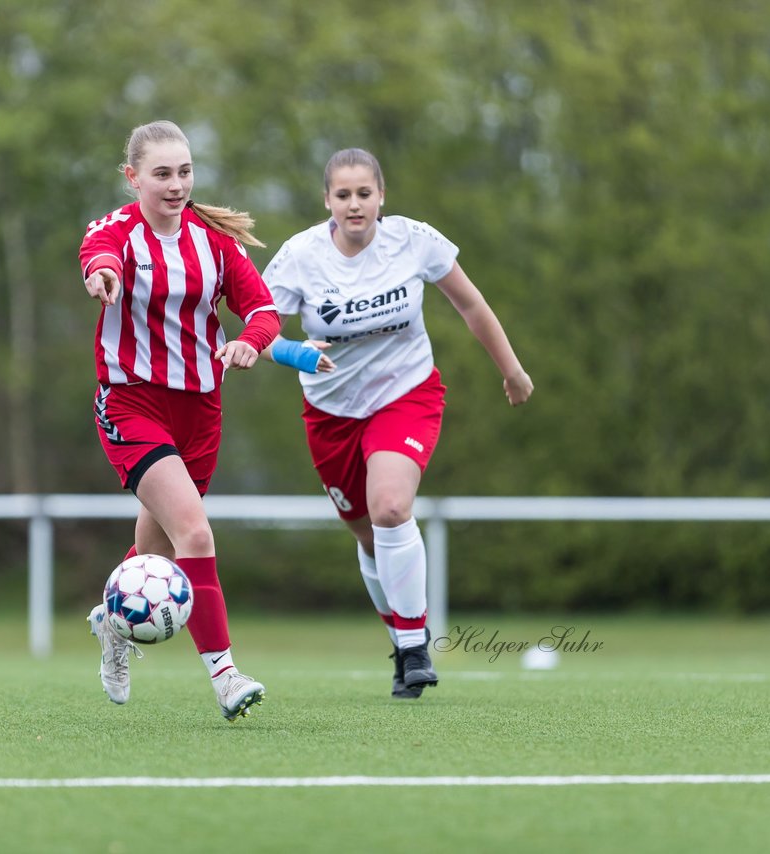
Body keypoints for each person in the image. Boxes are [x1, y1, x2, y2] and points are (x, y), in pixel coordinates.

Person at [262, 148, 533, 698]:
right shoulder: (301, 257)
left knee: (390, 507)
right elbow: (257, 332)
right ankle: (401, 640)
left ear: (382, 196)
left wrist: (512, 369)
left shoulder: (413, 240)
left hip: (405, 395)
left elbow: (471, 305)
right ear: (327, 201)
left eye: (365, 193)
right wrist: (297, 354)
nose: (355, 204)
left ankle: (414, 646)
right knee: (367, 534)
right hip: (331, 414)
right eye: (344, 195)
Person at [80, 120, 281, 720]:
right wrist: (103, 278)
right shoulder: (114, 231)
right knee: (195, 532)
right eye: (162, 174)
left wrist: (250, 340)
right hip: (131, 402)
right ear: (133, 177)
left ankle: (111, 625)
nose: (175, 185)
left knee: (158, 555)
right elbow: (100, 258)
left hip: (200, 410)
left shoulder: (215, 243)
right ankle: (225, 676)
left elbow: (263, 308)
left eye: (185, 172)